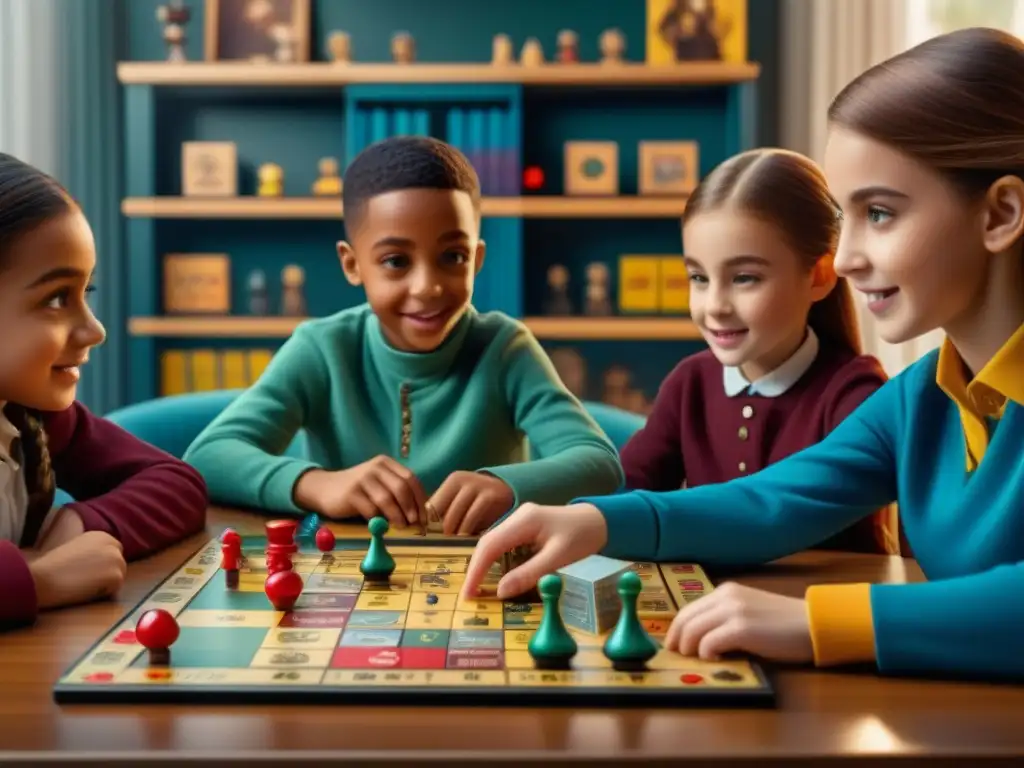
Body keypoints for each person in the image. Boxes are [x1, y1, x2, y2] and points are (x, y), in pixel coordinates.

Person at [461, 27, 1024, 681]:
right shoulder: (923, 395)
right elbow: (769, 502)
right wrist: (591, 520)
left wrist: (819, 620)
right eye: (846, 220)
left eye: (880, 213)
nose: (844, 260)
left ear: (1000, 214)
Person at [184, 136, 622, 535]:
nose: (427, 287)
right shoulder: (321, 348)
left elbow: (599, 462)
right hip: (350, 581)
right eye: (395, 261)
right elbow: (208, 457)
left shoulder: (506, 348)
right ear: (353, 264)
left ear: (478, 258)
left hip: (485, 579)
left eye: (453, 256)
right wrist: (319, 484)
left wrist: (506, 485)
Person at [619, 147, 893, 555]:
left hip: (820, 613)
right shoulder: (690, 382)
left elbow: (786, 515)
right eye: (698, 277)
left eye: (745, 278)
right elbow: (625, 488)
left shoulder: (857, 395)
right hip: (721, 611)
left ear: (818, 276)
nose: (714, 305)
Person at [0, 153, 208, 630]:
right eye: (56, 299)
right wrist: (42, 581)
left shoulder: (31, 416)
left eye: (85, 294)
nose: (95, 330)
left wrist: (82, 523)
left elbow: (176, 482)